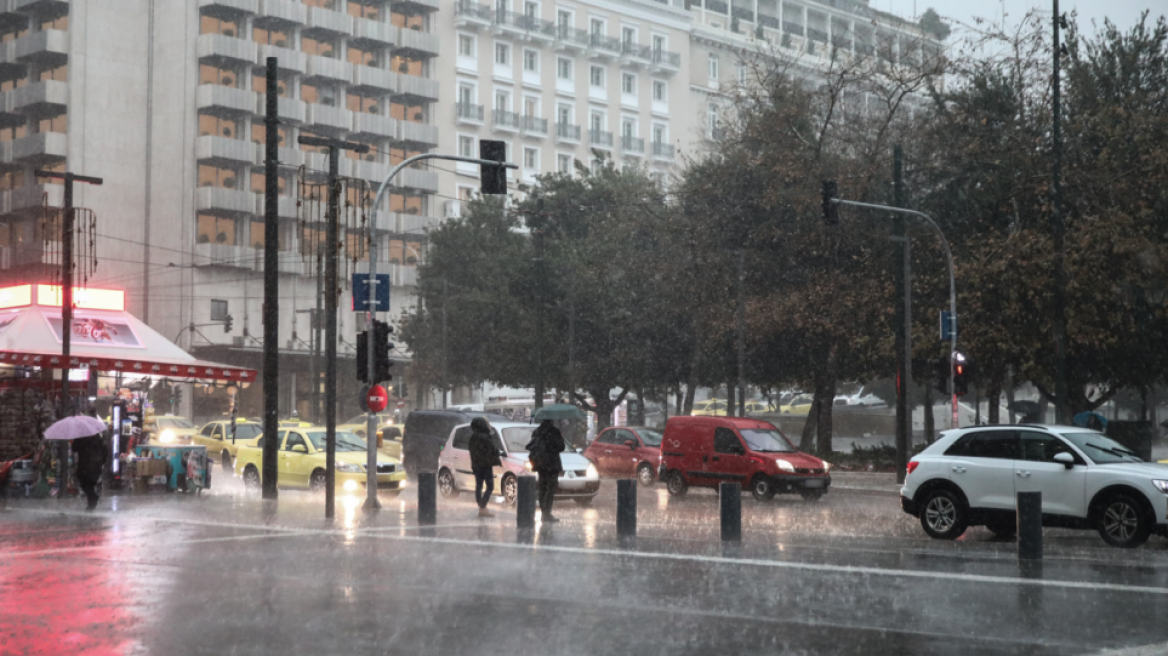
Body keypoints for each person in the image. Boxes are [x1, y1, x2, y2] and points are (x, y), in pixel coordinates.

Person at [525, 419, 565, 523]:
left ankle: (544, 511)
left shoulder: (537, 431)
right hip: (552, 464)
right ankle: (547, 513)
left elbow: (533, 446)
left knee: (542, 488)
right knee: (550, 489)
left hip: (540, 464)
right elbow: (561, 447)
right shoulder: (555, 431)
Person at [468, 417, 502, 518]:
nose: (488, 424)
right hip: (486, 465)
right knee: (490, 486)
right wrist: (498, 453)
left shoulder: (473, 437)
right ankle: (482, 507)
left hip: (476, 465)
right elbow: (492, 449)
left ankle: (481, 506)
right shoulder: (485, 436)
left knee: (479, 486)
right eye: (487, 423)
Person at [72, 432, 108, 510]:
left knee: (84, 481)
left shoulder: (81, 436)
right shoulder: (98, 438)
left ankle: (92, 498)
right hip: (96, 464)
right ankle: (91, 501)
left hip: (85, 464)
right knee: (90, 483)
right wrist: (102, 461)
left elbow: (74, 448)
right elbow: (105, 450)